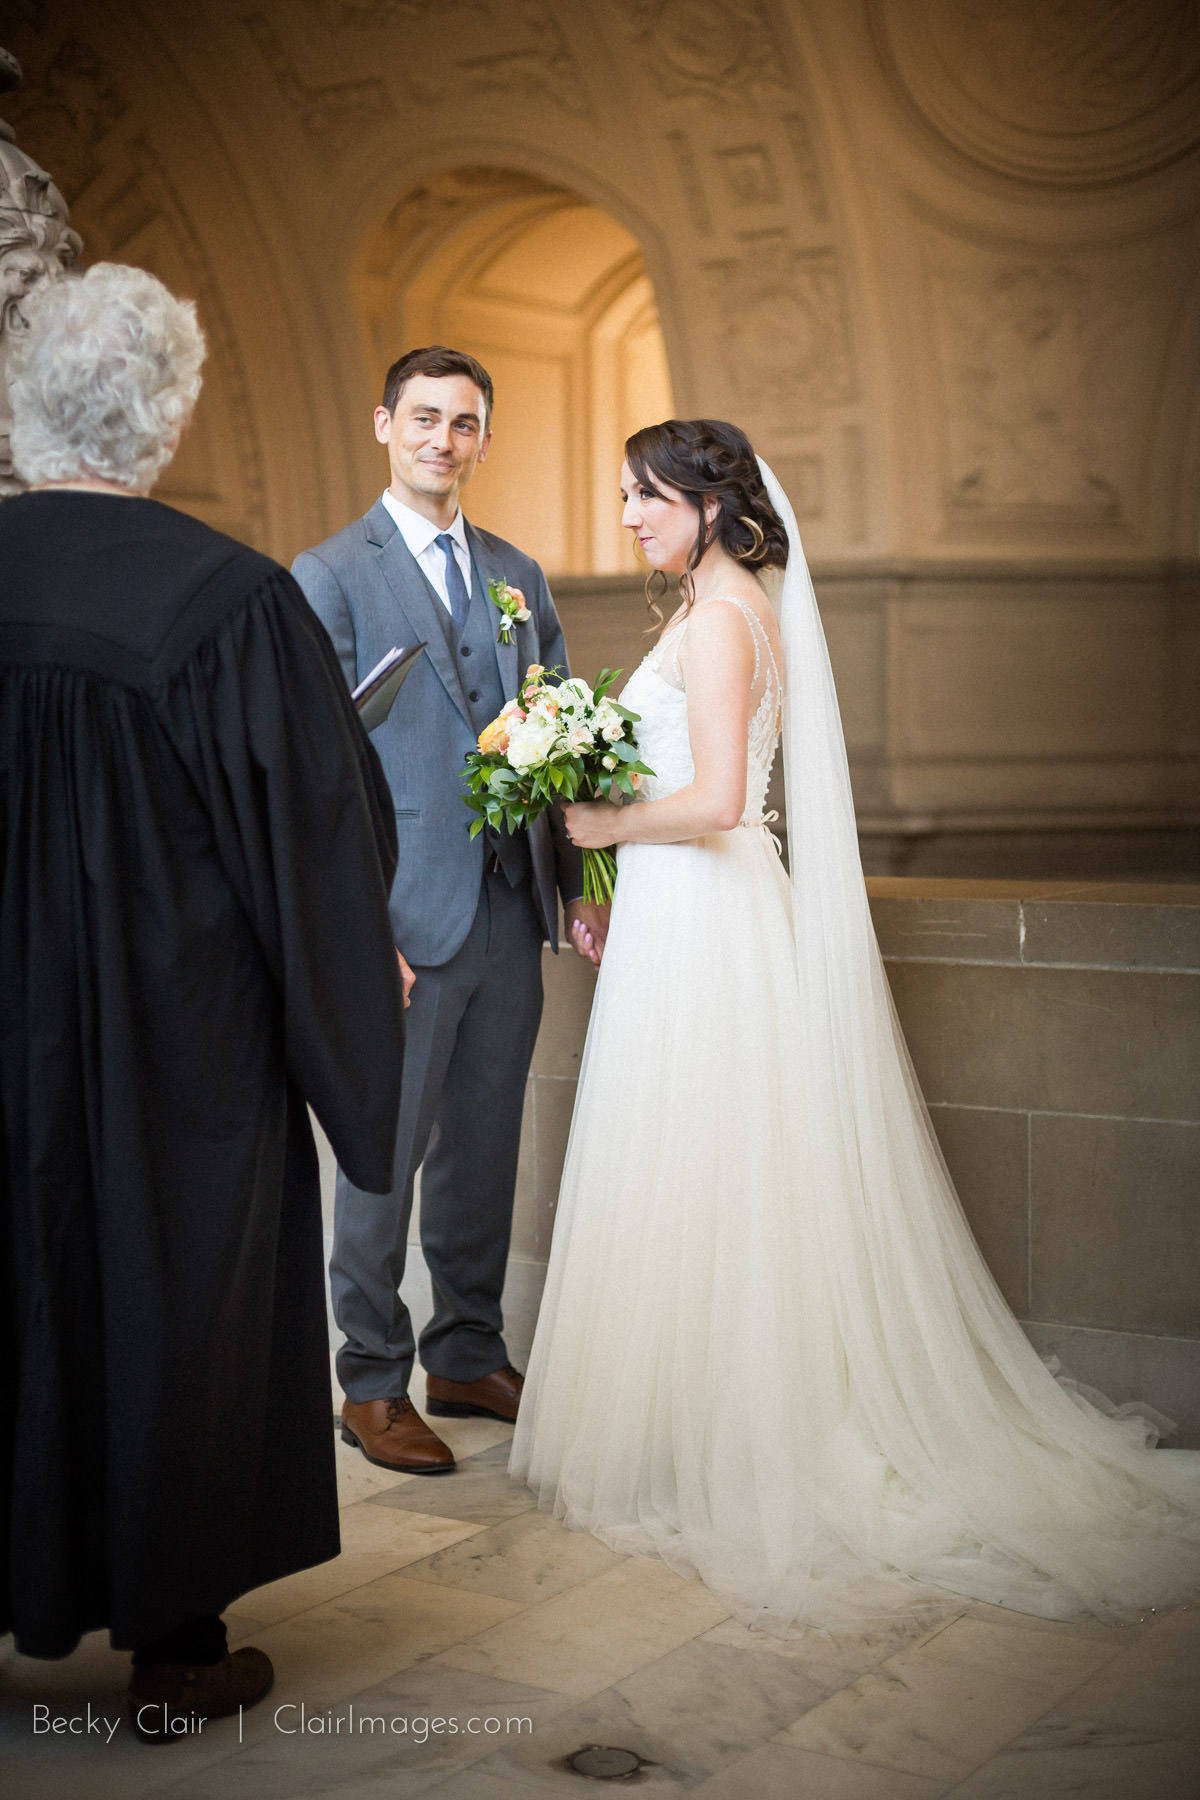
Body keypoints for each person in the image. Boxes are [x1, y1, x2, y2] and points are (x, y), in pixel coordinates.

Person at [511, 417, 1200, 1635]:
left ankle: (746, 1445)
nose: (627, 515)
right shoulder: (699, 610)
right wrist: (618, 865)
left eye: (645, 497)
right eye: (626, 494)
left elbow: (722, 799)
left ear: (710, 506)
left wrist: (607, 831)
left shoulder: (723, 621)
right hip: (684, 919)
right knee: (695, 1169)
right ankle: (695, 1423)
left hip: (715, 926)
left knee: (721, 1170)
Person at [0, 263, 406, 1735]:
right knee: (169, 1304)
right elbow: (320, 840)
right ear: (168, 418)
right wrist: (354, 1038)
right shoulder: (231, 603)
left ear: (19, 403)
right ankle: (174, 1647)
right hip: (176, 1062)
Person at [292, 347, 604, 1477]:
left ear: (482, 438)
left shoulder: (519, 572)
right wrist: (352, 929)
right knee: (380, 1156)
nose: (442, 439)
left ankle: (466, 1352)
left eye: (463, 423)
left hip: (508, 910)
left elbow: (563, 733)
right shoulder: (328, 574)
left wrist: (578, 891)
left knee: (483, 1145)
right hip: (397, 923)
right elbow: (313, 777)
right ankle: (368, 1381)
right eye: (422, 418)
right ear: (383, 424)